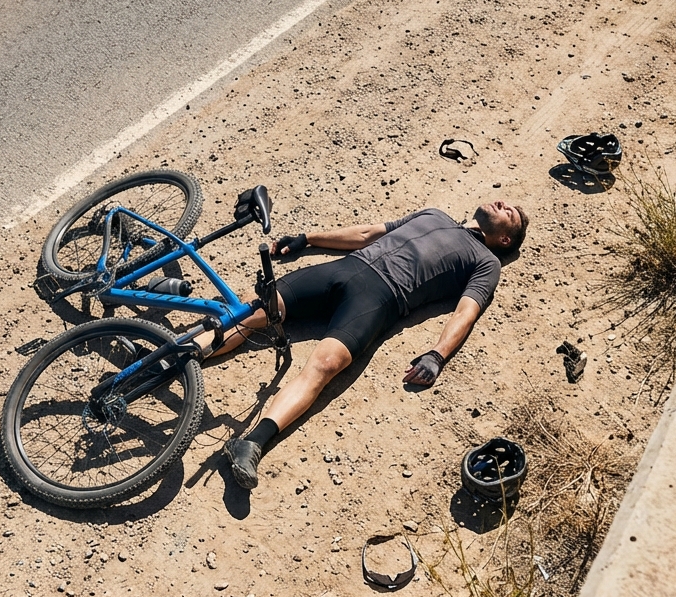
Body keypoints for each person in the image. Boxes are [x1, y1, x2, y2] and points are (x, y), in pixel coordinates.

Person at [198, 199, 529, 490]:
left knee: (325, 366)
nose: (502, 202)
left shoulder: (487, 262)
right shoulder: (435, 214)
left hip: (379, 298)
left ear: (504, 238)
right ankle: (172, 358)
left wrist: (437, 355)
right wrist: (307, 239)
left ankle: (251, 444)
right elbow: (369, 234)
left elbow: (466, 312)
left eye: (509, 212)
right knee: (249, 313)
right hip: (344, 268)